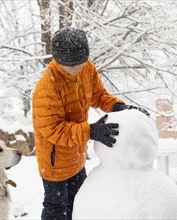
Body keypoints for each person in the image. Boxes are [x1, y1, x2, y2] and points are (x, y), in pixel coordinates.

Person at [32, 27, 149, 220]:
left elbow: (99, 95)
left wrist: (119, 107)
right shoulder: (47, 88)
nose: (79, 68)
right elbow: (54, 130)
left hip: (76, 156)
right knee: (56, 208)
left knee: (79, 204)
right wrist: (92, 131)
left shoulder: (86, 68)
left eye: (81, 62)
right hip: (54, 163)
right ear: (59, 61)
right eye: (73, 65)